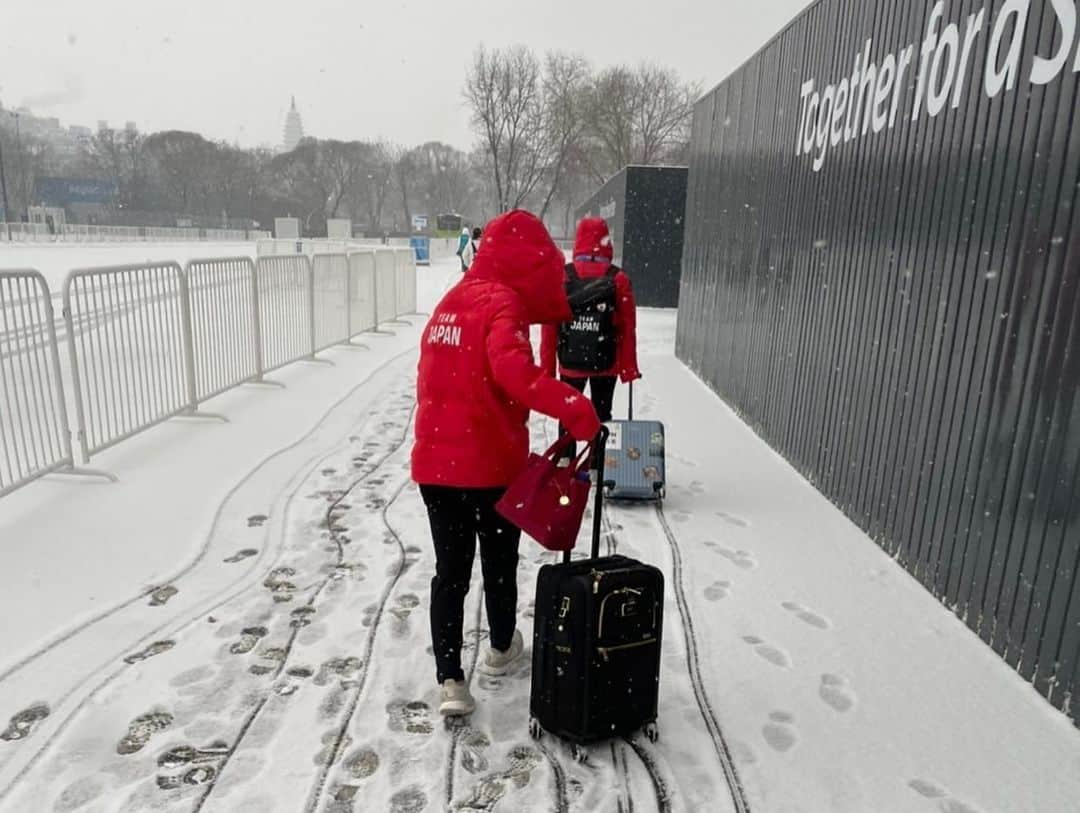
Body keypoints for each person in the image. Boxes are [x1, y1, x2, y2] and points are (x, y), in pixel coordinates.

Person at [412, 209, 602, 717]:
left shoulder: (451, 302)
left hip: (434, 466)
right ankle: (500, 647)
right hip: (489, 467)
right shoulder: (504, 305)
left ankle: (451, 679)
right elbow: (515, 373)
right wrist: (576, 409)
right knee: (498, 564)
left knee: (450, 572)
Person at [541, 217, 640, 448]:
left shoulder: (563, 276)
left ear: (579, 240)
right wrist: (628, 368)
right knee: (602, 414)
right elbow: (627, 328)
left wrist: (547, 370)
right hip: (606, 363)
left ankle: (565, 462)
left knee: (568, 413)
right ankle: (598, 466)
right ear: (607, 241)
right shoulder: (618, 278)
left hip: (570, 363)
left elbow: (549, 326)